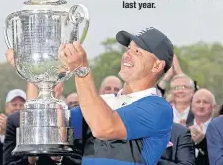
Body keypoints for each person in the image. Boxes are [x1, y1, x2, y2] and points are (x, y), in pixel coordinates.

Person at [58, 27, 174, 165]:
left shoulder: (158, 108)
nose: (127, 55)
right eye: (128, 49)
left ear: (157, 65)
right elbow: (60, 134)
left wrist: (81, 69)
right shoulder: (103, 101)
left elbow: (104, 127)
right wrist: (50, 86)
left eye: (137, 51)